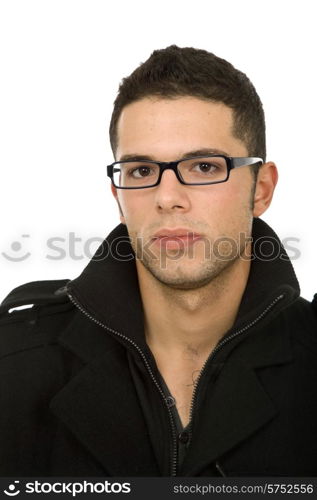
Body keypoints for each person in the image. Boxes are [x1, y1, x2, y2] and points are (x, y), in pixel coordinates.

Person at [0, 45, 316, 478]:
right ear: (118, 196)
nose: (167, 198)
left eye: (204, 167)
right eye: (142, 171)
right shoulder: (13, 365)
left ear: (261, 188)